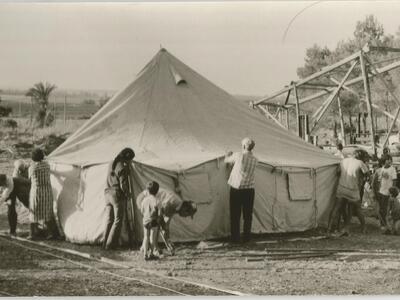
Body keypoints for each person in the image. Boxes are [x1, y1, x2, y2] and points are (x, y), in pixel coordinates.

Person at [137, 185, 197, 254]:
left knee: (156, 225)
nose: (186, 217)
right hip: (143, 199)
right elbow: (159, 218)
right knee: (154, 225)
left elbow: (166, 224)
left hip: (151, 205)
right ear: (185, 210)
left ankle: (145, 248)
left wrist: (168, 241)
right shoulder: (172, 202)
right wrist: (162, 226)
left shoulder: (176, 207)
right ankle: (153, 249)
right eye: (187, 215)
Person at [225, 137, 258, 243]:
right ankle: (247, 238)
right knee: (247, 215)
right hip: (249, 190)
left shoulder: (239, 155)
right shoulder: (255, 160)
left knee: (235, 214)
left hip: (237, 188)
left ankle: (235, 238)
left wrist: (227, 155)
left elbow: (227, 160)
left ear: (244, 146)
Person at [328, 149, 369, 234]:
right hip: (353, 189)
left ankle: (329, 228)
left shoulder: (343, 161)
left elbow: (338, 172)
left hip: (342, 187)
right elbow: (368, 175)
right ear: (360, 156)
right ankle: (364, 228)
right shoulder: (360, 163)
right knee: (358, 209)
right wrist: (361, 180)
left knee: (336, 208)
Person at [102, 147, 135, 250]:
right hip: (116, 194)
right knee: (118, 220)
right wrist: (127, 194)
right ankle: (110, 245)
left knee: (109, 220)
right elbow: (123, 184)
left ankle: (104, 244)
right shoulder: (121, 167)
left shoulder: (112, 163)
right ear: (127, 159)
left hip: (107, 192)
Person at [28, 148, 57, 240]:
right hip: (47, 190)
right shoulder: (47, 165)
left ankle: (32, 234)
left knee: (34, 211)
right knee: (46, 211)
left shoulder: (32, 167)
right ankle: (49, 233)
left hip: (36, 190)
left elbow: (29, 178)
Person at [376, 155, 397, 231]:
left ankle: (388, 224)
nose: (389, 161)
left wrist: (393, 191)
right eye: (387, 160)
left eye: (390, 159)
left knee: (387, 209)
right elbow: (380, 180)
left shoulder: (392, 169)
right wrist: (378, 190)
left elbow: (394, 180)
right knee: (381, 208)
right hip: (382, 191)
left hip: (388, 193)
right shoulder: (382, 169)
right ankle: (382, 223)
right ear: (384, 161)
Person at [140, 181, 160, 260]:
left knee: (145, 237)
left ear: (147, 190)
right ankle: (151, 254)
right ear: (157, 191)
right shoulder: (157, 200)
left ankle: (145, 254)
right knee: (152, 238)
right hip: (153, 220)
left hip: (145, 220)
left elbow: (142, 210)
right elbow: (160, 212)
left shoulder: (144, 200)